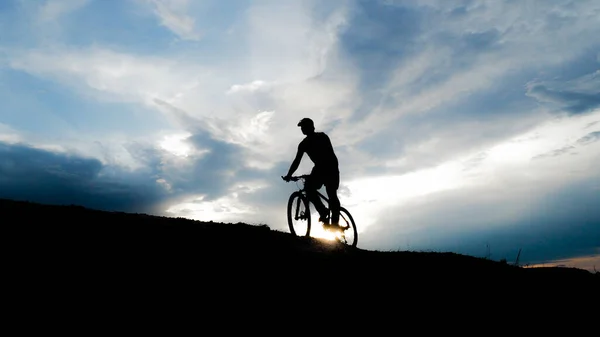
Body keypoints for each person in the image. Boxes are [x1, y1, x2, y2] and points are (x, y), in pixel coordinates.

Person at [282, 118, 341, 230]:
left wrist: (319, 172)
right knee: (309, 189)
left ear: (312, 127)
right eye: (302, 128)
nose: (303, 129)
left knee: (331, 194)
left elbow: (329, 154)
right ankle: (323, 211)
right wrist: (289, 174)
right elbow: (297, 161)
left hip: (331, 167)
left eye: (304, 127)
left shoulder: (322, 137)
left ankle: (335, 223)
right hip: (319, 168)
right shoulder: (303, 144)